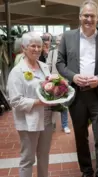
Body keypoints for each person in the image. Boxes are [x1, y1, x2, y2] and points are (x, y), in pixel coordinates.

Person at [56, 1, 98, 177]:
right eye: (86, 15)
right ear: (80, 16)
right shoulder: (68, 37)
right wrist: (73, 76)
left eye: (92, 16)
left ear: (97, 18)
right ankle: (87, 172)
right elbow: (60, 63)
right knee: (81, 138)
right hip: (77, 96)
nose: (89, 19)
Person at [7, 32, 53, 177]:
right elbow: (15, 100)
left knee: (44, 157)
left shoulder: (44, 67)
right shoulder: (17, 72)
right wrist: (38, 102)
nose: (37, 49)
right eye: (32, 46)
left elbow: (48, 87)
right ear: (24, 48)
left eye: (39, 46)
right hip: (28, 121)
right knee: (28, 159)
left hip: (46, 118)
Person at [46, 34, 71, 134]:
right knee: (51, 104)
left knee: (64, 105)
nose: (59, 42)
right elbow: (47, 66)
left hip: (64, 81)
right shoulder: (52, 53)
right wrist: (49, 79)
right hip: (53, 80)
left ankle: (64, 125)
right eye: (57, 40)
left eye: (61, 40)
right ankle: (52, 125)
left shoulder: (68, 53)